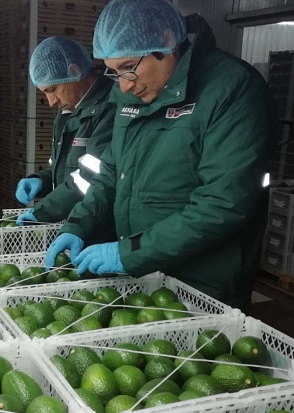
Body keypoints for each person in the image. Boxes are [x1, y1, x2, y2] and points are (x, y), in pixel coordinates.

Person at [45, 0, 278, 311]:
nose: (124, 86)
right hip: (144, 271)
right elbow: (111, 173)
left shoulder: (231, 89)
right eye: (114, 73)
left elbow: (222, 203)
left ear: (167, 43)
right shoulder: (135, 93)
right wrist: (78, 224)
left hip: (205, 282)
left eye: (129, 68)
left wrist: (128, 253)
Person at [15, 37, 116, 226]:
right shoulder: (68, 112)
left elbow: (93, 177)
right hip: (71, 222)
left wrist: (45, 211)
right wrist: (41, 180)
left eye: (53, 89)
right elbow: (61, 168)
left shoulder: (110, 108)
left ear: (74, 72)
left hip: (96, 226)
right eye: (44, 92)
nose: (51, 101)